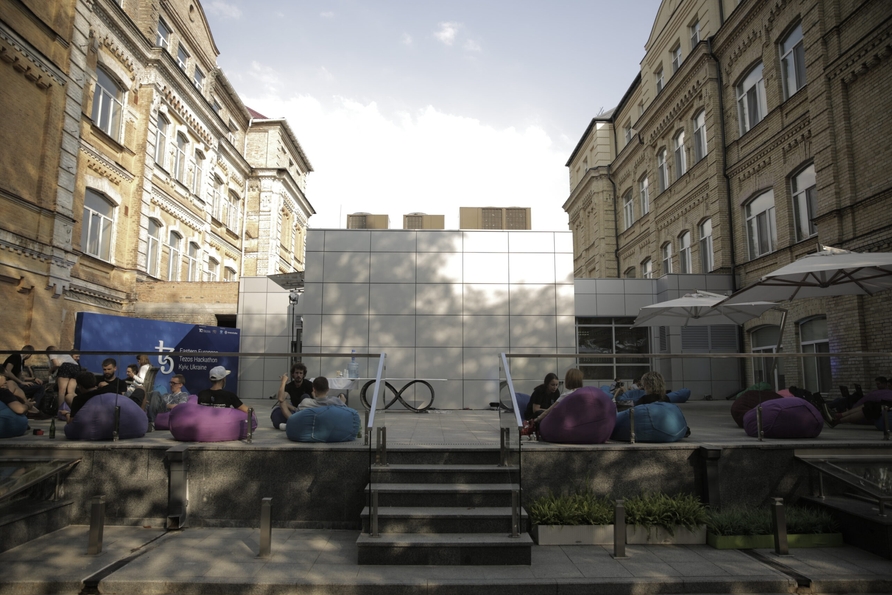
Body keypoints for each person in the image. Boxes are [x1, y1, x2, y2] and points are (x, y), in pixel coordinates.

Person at [271, 363, 314, 429]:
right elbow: (281, 399)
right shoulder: (290, 386)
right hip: (295, 410)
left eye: (301, 373)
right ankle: (295, 423)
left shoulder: (309, 384)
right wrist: (283, 382)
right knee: (278, 414)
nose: (298, 375)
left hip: (307, 411)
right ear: (293, 374)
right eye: (296, 373)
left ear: (304, 375)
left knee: (305, 397)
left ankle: (294, 423)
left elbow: (316, 398)